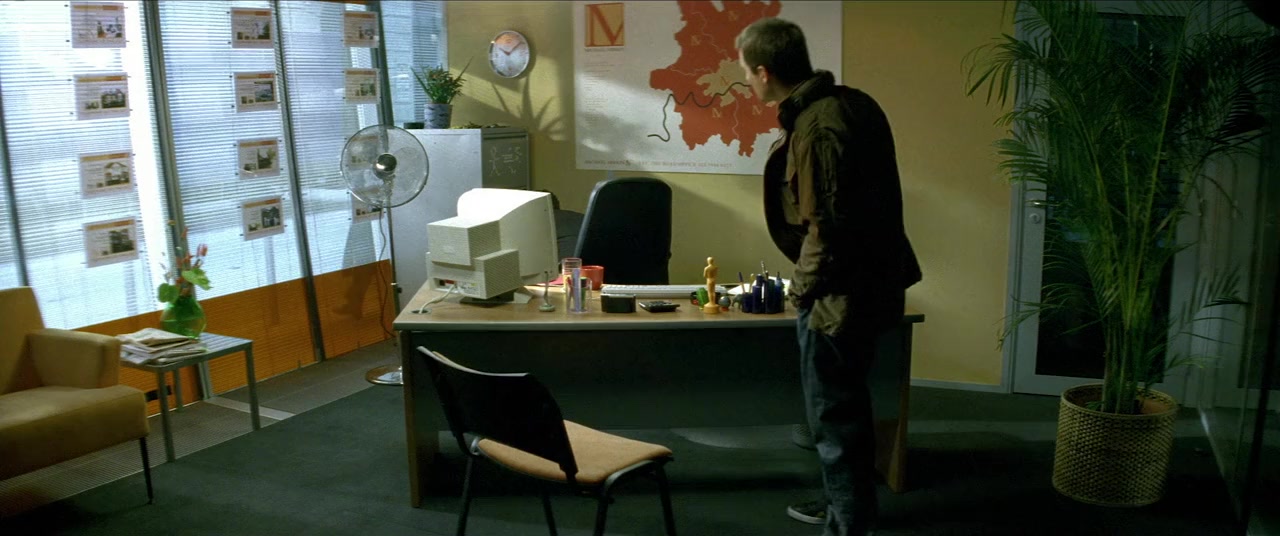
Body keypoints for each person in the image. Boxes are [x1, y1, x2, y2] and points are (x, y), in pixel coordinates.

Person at [736, 17, 922, 536]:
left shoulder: (817, 126)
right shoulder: (852, 103)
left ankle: (848, 523)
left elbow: (828, 227)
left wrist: (799, 292)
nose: (747, 82)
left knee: (834, 416)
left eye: (747, 73)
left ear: (765, 72)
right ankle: (848, 503)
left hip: (838, 296)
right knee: (849, 408)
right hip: (873, 283)